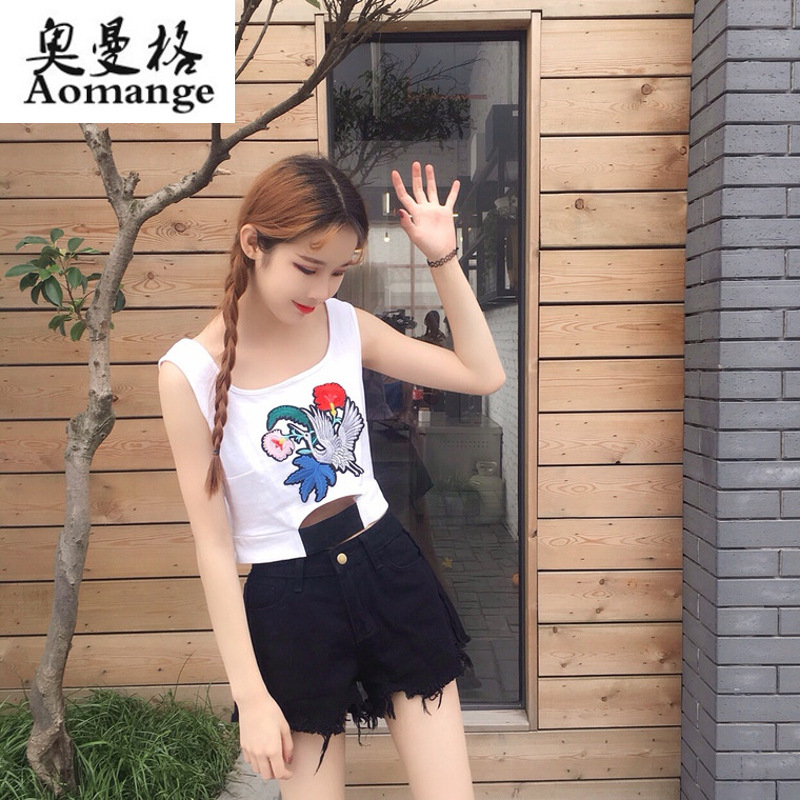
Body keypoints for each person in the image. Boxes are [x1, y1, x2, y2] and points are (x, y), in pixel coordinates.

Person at [158, 154, 505, 800]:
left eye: (340, 272)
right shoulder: (190, 374)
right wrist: (250, 696)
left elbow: (482, 374)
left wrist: (442, 257)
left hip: (388, 568)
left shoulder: (345, 326)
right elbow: (212, 544)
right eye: (307, 267)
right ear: (253, 243)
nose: (321, 290)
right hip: (290, 604)